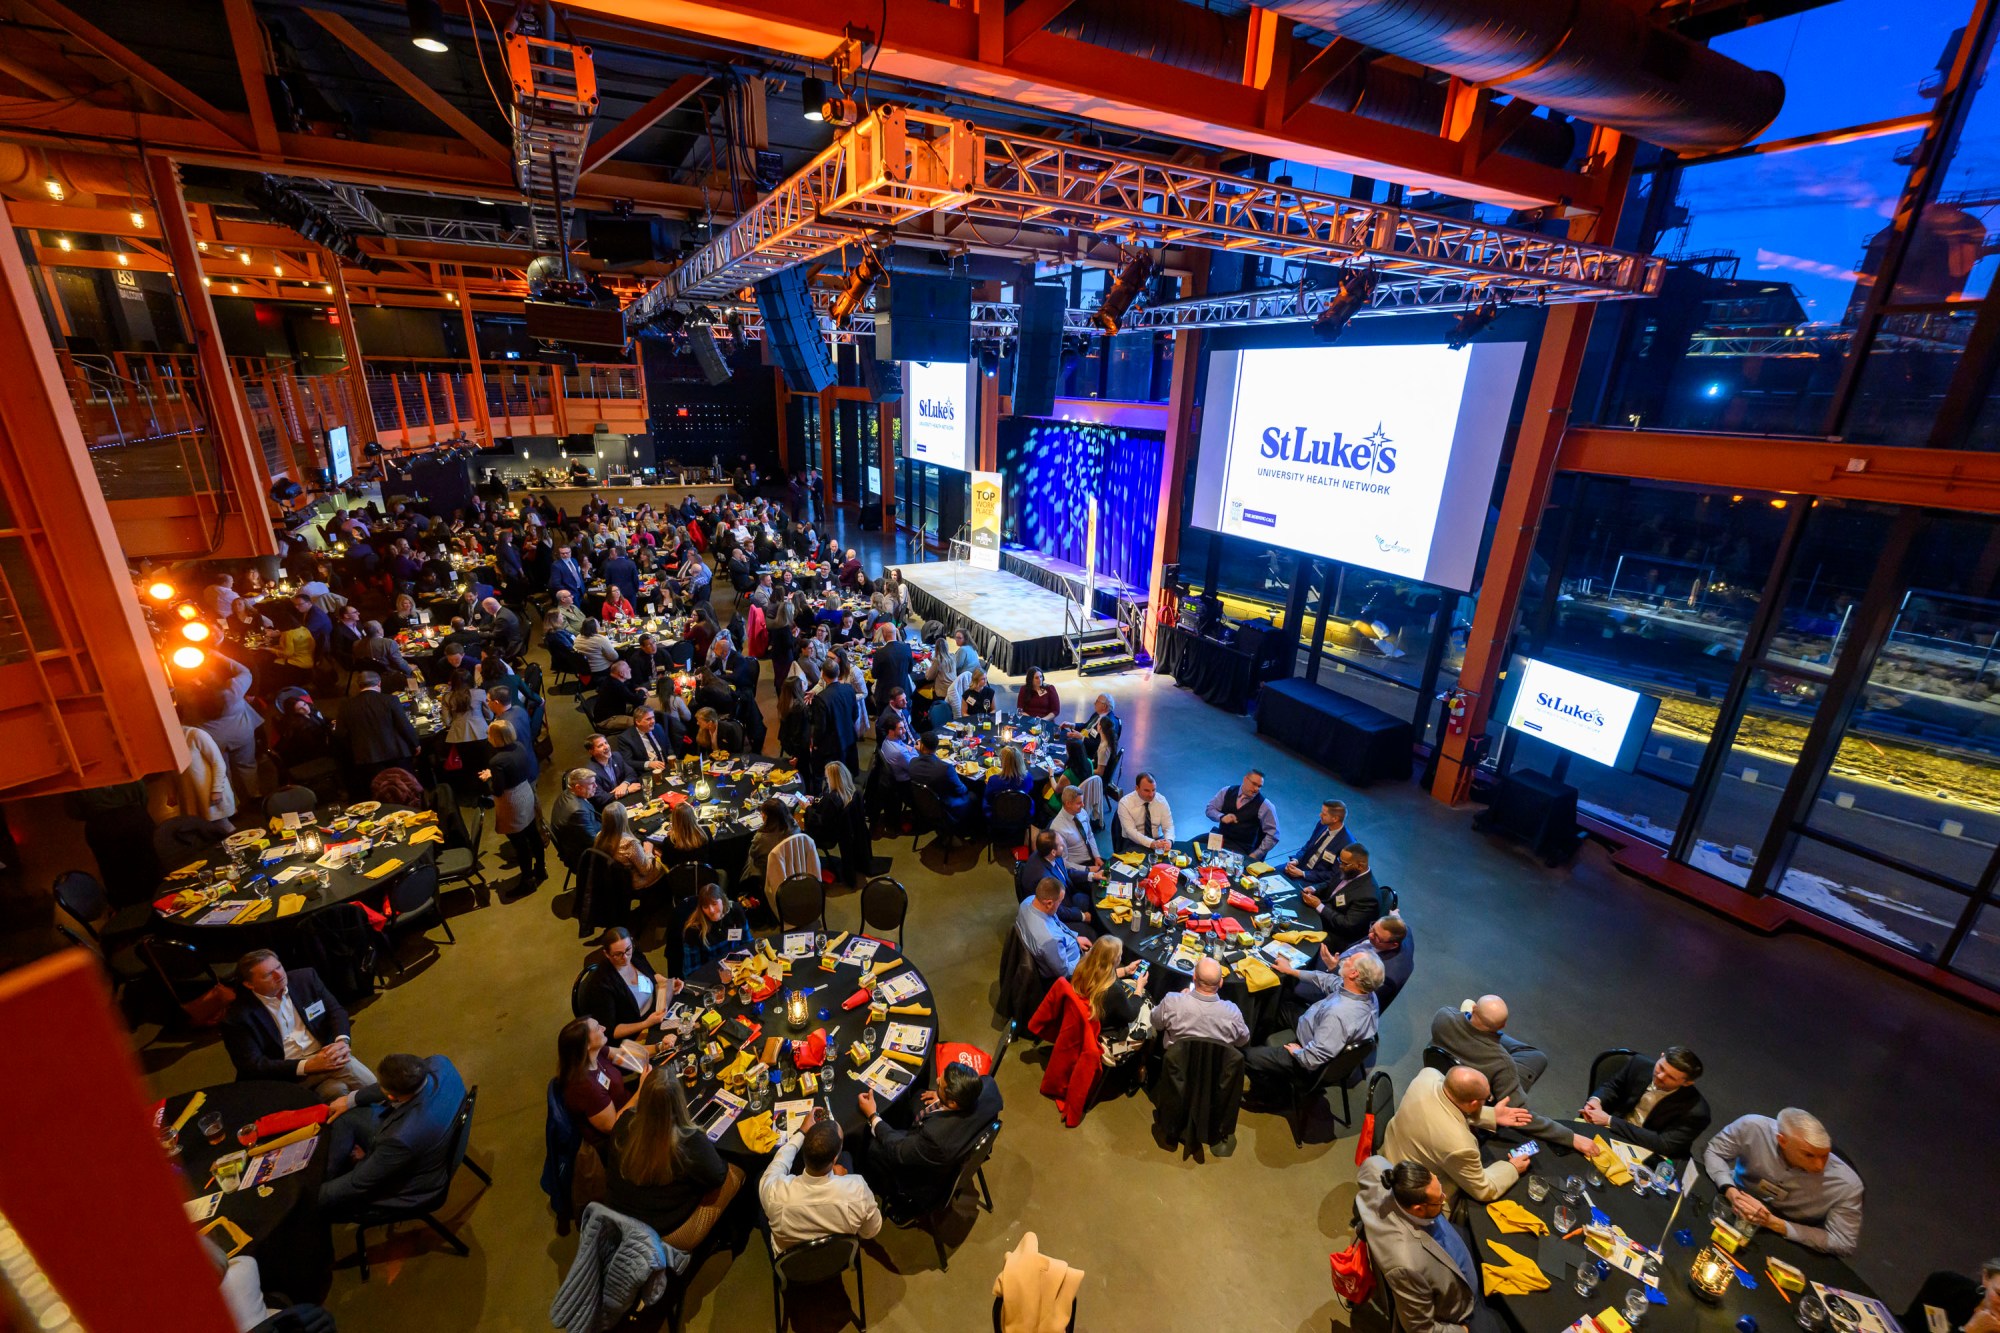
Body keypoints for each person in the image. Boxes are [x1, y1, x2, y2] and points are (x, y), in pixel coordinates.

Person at [604, 1069, 743, 1251]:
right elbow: (718, 1176)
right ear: (679, 1100)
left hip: (621, 1217)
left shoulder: (623, 1123)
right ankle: (732, 1234)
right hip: (664, 1232)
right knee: (738, 1170)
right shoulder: (687, 1142)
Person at [318, 1052, 467, 1220]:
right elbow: (392, 1087)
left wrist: (310, 1195)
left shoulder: (401, 1137)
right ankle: (325, 1174)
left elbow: (357, 1183)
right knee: (348, 1117)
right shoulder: (440, 1063)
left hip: (416, 1186)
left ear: (391, 1096)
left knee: (325, 1206)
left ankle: (320, 1185)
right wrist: (351, 1100)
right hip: (434, 1137)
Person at [1700, 1109, 1863, 1257]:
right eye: (1809, 1155)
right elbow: (1715, 1152)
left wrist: (1775, 1223)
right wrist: (1730, 1191)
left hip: (1783, 1238)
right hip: (1733, 1203)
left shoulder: (1847, 1185)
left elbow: (1843, 1242)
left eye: (1825, 1156)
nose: (1819, 1165)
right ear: (1782, 1141)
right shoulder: (1752, 1127)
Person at [1356, 1157, 1493, 1333]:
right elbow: (1420, 1328)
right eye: (1439, 1200)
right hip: (1460, 1310)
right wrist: (1463, 1331)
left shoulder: (1378, 1169)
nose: (1444, 1199)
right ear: (1418, 1209)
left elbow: (1369, 1165)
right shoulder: (1407, 1265)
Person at [849, 1063, 1003, 1214]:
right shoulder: (989, 1086)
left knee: (871, 1146)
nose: (936, 1081)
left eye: (940, 1086)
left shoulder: (934, 1137)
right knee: (917, 1098)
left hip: (926, 1179)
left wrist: (872, 1115)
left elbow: (899, 1150)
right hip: (964, 1135)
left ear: (953, 1103)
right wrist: (941, 1098)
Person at [221, 950, 375, 1101]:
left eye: (279, 967)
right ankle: (391, 1100)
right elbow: (253, 1066)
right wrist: (307, 1066)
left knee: (335, 1090)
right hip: (286, 1074)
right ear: (249, 984)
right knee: (344, 1064)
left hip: (322, 1054)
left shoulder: (306, 979)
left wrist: (342, 1042)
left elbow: (336, 1012)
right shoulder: (238, 1018)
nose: (279, 975)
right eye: (268, 974)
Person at [1380, 1066, 1538, 1205]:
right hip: (1415, 1190)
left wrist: (1491, 1116)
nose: (1487, 1101)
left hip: (1391, 1153)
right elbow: (1483, 1190)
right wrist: (1512, 1168)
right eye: (1487, 1099)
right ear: (1475, 1103)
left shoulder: (1427, 1075)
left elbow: (1446, 1105)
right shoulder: (1460, 1145)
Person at [1243, 950, 1382, 1102]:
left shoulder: (1338, 1015)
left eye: (1349, 960)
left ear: (1354, 973)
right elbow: (1326, 980)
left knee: (1248, 1057)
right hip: (1315, 1025)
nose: (1345, 959)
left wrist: (1298, 1052)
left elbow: (1313, 1058)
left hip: (1307, 1056)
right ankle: (1264, 1046)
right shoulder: (1366, 993)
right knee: (1281, 1005)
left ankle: (1269, 1097)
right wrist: (1291, 971)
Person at [759, 1112, 883, 1251]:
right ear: (835, 1158)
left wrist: (801, 1132)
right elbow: (870, 1231)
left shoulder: (774, 1193)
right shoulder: (857, 1190)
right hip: (837, 1257)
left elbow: (779, 1163)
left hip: (793, 1265)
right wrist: (841, 1180)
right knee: (847, 1158)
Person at [1581, 1046, 1712, 1161]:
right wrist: (1595, 1101)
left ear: (1687, 1083)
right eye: (1661, 1067)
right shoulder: (1639, 1064)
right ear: (1661, 1056)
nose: (1660, 1076)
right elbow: (1613, 1086)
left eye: (1670, 1077)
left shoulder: (1697, 1112)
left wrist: (1610, 1120)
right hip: (1614, 1133)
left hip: (1650, 1151)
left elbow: (1663, 1144)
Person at [557, 1015, 647, 1146]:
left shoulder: (595, 1053)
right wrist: (642, 1089)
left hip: (629, 1102)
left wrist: (660, 1047)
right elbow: (614, 1126)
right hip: (622, 1136)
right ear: (586, 1044)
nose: (604, 1028)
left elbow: (626, 1055)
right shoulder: (585, 1087)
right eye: (598, 1028)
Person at [578, 927, 678, 1042]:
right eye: (617, 954)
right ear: (607, 954)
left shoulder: (634, 954)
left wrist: (668, 982)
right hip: (636, 1032)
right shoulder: (601, 985)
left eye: (628, 949)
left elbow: (652, 975)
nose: (625, 957)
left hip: (656, 1013)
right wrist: (646, 1023)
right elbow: (611, 1031)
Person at [481, 719, 544, 892]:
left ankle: (527, 880)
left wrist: (488, 778)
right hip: (525, 792)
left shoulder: (497, 761)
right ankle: (540, 869)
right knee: (533, 834)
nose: (487, 736)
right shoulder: (520, 746)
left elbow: (498, 790)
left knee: (520, 843)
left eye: (489, 733)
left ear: (497, 737)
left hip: (511, 801)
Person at [337, 671, 420, 789]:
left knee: (378, 789)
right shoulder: (390, 700)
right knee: (404, 786)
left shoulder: (346, 706)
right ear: (379, 684)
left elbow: (341, 734)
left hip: (366, 757)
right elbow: (403, 726)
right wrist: (415, 744)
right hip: (396, 753)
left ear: (359, 685)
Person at [1152, 957, 1250, 1049]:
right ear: (1221, 983)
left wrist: (1180, 998)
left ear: (1194, 978)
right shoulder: (1233, 1013)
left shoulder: (1172, 1001)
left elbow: (1156, 1024)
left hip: (1176, 1063)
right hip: (1214, 1065)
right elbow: (1242, 1041)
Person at [805, 760, 873, 885]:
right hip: (844, 833)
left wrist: (807, 808)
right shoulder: (853, 791)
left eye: (827, 778)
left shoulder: (831, 799)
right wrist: (815, 800)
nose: (826, 780)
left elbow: (820, 821)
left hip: (828, 834)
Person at [1300, 843, 1379, 947]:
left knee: (1301, 938)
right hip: (1325, 914)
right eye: (1339, 861)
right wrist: (1314, 889)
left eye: (1345, 864)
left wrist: (1318, 906)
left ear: (1360, 866)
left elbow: (1347, 925)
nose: (1340, 866)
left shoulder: (1368, 896)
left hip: (1337, 934)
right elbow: (1330, 883)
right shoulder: (1348, 869)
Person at [1069, 933, 1145, 1039]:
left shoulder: (1082, 966)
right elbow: (1130, 1015)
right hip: (1102, 1030)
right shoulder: (1115, 991)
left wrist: (1125, 970)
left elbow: (1100, 978)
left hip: (1083, 1019)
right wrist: (1139, 989)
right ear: (1114, 961)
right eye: (1119, 956)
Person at [1016, 876, 1089, 979]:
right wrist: (1087, 960)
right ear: (1049, 903)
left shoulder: (1028, 901)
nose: (1061, 905)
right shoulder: (1050, 940)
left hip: (1066, 947)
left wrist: (1074, 937)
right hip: (1072, 966)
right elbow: (1065, 972)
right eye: (1060, 902)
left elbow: (1057, 923)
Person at [1339, 915, 1415, 1010]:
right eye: (1373, 928)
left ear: (1393, 945)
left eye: (1376, 937)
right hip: (1342, 959)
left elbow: (1357, 998)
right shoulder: (1401, 930)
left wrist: (1333, 968)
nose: (1370, 935)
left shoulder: (1384, 977)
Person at [1205, 770, 1279, 860]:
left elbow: (1273, 835)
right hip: (1219, 838)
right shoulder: (1227, 791)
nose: (1256, 789)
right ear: (1245, 779)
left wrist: (1256, 854)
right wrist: (1222, 817)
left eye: (1259, 786)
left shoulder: (1265, 806)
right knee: (1194, 848)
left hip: (1241, 848)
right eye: (1254, 784)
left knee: (1221, 865)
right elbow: (1210, 809)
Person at [682, 881, 753, 974]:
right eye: (705, 906)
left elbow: (748, 943)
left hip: (739, 967)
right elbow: (691, 971)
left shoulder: (736, 911)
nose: (711, 910)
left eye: (714, 904)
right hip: (712, 973)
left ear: (723, 900)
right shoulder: (693, 930)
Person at [595, 801, 664, 889]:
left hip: (613, 880)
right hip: (633, 881)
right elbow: (646, 870)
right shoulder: (629, 843)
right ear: (624, 820)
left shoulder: (599, 836)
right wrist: (649, 851)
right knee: (662, 859)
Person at [908, 731, 975, 823]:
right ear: (937, 747)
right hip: (944, 804)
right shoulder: (946, 768)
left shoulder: (912, 762)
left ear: (921, 746)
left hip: (924, 803)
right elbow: (961, 790)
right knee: (974, 795)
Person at [1283, 800, 1353, 886]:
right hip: (1300, 866)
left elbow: (1334, 875)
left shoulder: (1347, 844)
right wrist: (1296, 860)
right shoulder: (1322, 824)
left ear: (1335, 819)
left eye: (1324, 814)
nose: (1320, 815)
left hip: (1314, 881)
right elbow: (1308, 845)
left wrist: (1303, 874)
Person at [551, 768, 603, 867]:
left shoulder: (567, 793)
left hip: (577, 841)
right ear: (578, 787)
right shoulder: (578, 811)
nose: (596, 786)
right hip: (583, 856)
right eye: (592, 784)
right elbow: (595, 842)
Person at [1049, 784, 1103, 877]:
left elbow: (1090, 835)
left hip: (1092, 859)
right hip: (1078, 868)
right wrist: (1087, 869)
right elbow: (1063, 862)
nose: (1083, 805)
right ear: (1068, 804)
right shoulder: (1057, 828)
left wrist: (1097, 856)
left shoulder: (1082, 812)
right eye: (1079, 803)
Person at [1114, 771, 1174, 854]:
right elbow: (1130, 831)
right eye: (1147, 790)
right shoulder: (1125, 803)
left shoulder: (1161, 800)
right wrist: (1151, 843)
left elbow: (1168, 826)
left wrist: (1169, 840)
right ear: (1137, 788)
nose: (1151, 794)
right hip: (1134, 842)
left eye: (1153, 790)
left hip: (1158, 840)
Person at [584, 734, 642, 808]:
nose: (606, 747)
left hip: (624, 800)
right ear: (591, 751)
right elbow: (600, 799)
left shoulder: (616, 756)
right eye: (600, 746)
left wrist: (624, 784)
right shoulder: (591, 772)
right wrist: (627, 791)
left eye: (606, 743)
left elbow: (632, 774)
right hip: (610, 807)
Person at [615, 704, 674, 775]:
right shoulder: (626, 738)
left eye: (653, 717)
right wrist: (648, 764)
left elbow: (668, 746)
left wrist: (672, 758)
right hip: (648, 773)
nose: (653, 721)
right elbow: (627, 761)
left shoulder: (658, 728)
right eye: (648, 719)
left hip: (667, 768)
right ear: (638, 722)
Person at [982, 745, 1033, 822]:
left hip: (997, 816)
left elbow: (988, 797)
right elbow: (1029, 790)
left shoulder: (994, 780)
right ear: (1020, 761)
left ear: (1003, 763)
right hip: (1022, 814)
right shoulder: (1028, 777)